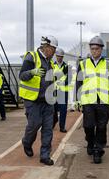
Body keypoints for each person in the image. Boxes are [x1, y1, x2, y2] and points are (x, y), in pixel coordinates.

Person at [76, 36, 109, 164]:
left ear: (101, 49)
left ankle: (98, 150)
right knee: (88, 126)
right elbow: (78, 83)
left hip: (103, 100)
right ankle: (90, 142)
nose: (94, 51)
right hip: (88, 100)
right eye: (92, 49)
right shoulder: (83, 64)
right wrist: (77, 99)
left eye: (97, 49)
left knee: (101, 126)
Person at [19, 36, 57, 166]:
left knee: (48, 129)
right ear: (46, 47)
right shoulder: (32, 57)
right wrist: (32, 72)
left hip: (47, 101)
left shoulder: (50, 63)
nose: (54, 52)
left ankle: (45, 155)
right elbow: (22, 76)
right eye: (53, 49)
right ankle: (27, 142)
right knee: (34, 125)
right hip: (33, 100)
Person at [53, 49, 71, 133]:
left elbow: (69, 79)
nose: (59, 58)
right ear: (56, 56)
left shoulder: (67, 67)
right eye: (58, 56)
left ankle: (62, 127)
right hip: (54, 91)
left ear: (63, 57)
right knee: (53, 109)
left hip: (63, 92)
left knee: (63, 110)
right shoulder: (52, 66)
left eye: (61, 56)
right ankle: (53, 122)